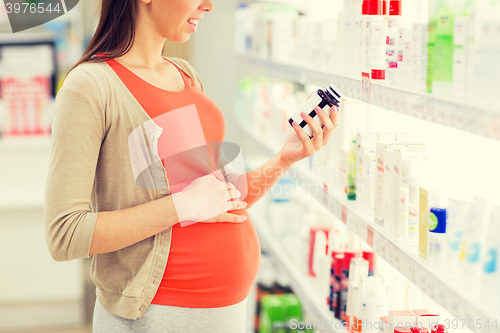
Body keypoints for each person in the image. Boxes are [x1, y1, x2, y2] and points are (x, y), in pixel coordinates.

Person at [43, 0, 339, 332]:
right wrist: (183, 205)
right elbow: (65, 234)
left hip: (225, 311)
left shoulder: (185, 75)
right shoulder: (90, 86)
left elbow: (218, 198)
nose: (209, 5)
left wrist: (285, 157)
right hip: (159, 315)